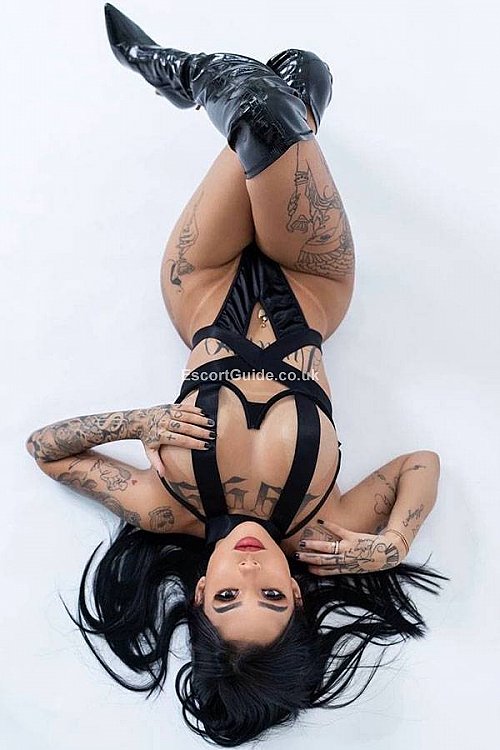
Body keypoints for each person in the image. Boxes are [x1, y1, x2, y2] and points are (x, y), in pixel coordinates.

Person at [25, 4, 449, 746]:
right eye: (271, 598)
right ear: (297, 598)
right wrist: (392, 544)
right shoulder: (324, 532)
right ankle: (213, 83)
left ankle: (179, 72)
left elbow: (45, 449)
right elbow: (422, 464)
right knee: (298, 77)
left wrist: (139, 422)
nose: (251, 573)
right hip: (310, 288)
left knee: (261, 110)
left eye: (227, 597)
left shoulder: (167, 510)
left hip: (206, 286)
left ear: (197, 594)